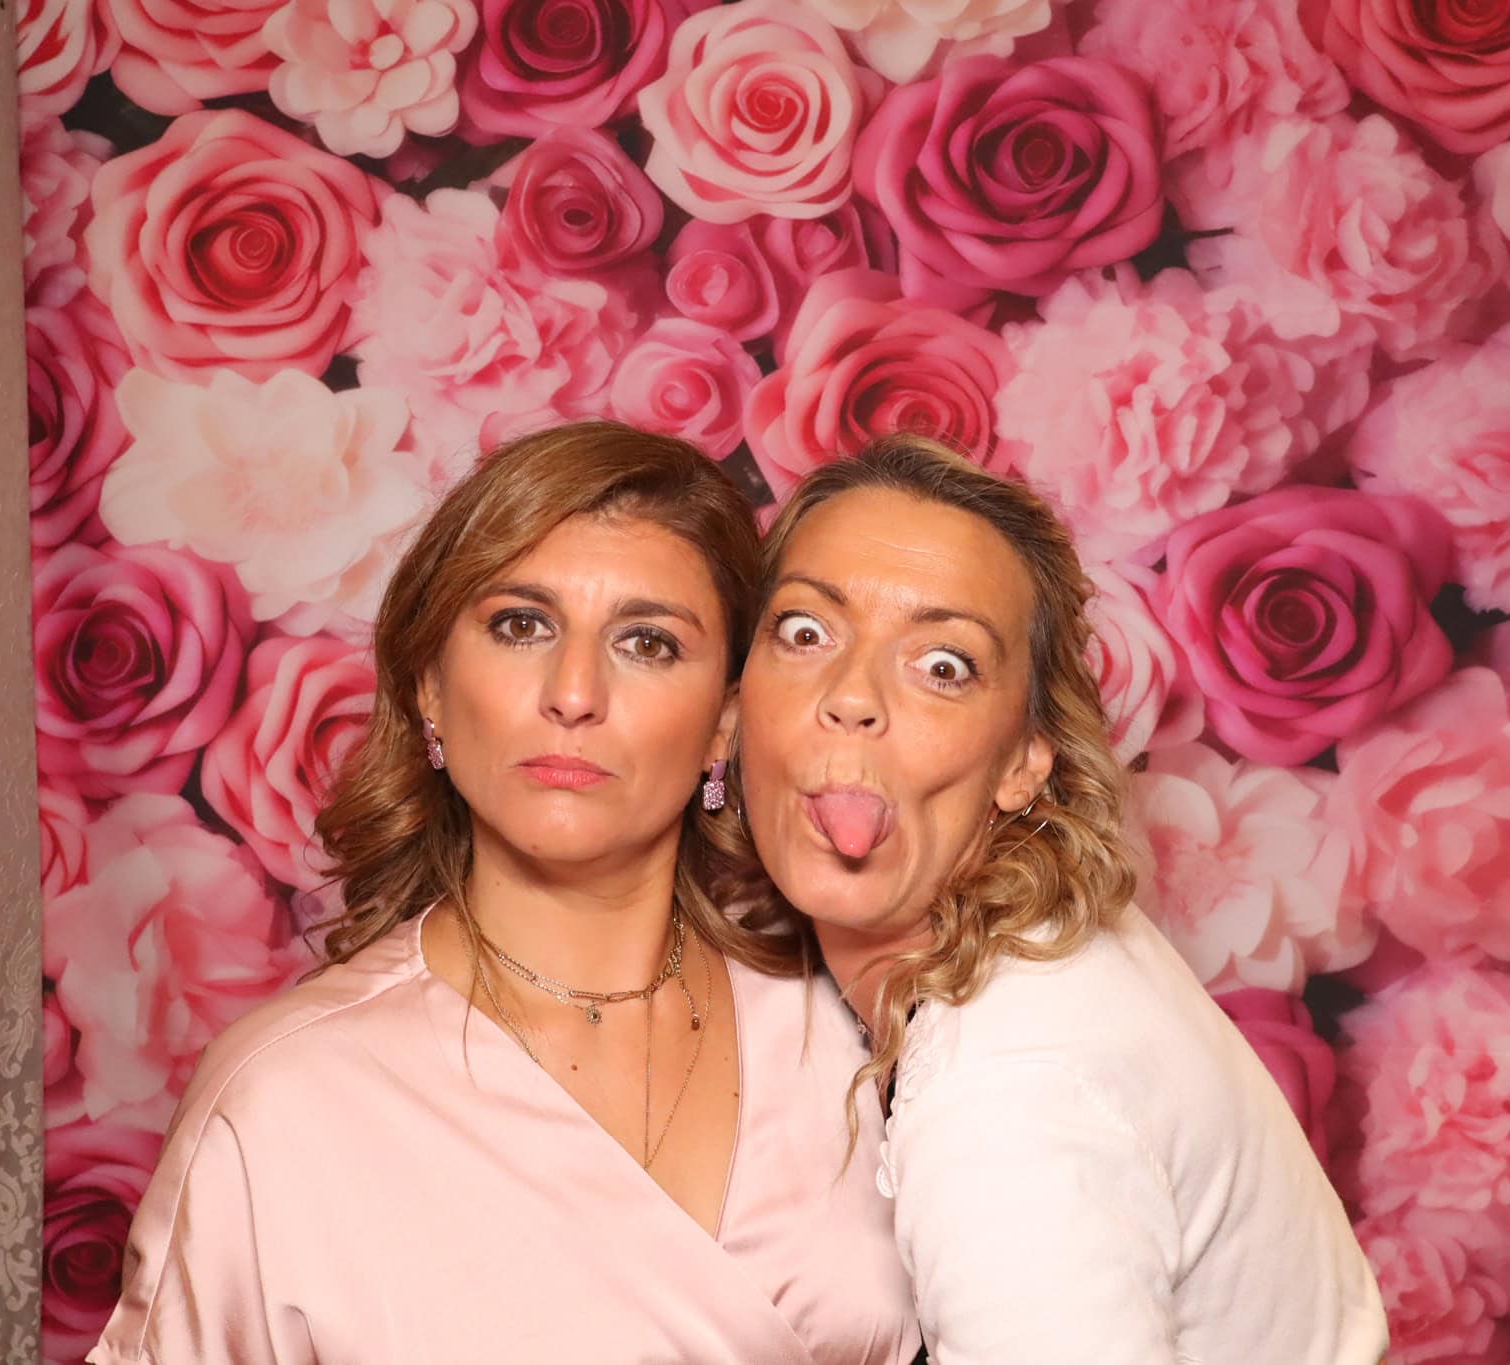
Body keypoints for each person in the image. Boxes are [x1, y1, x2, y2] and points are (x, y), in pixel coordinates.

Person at [88, 422, 920, 1365]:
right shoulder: (282, 1099)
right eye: (522, 625)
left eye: (646, 642)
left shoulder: (850, 1034)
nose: (574, 692)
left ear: (726, 722)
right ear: (431, 686)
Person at [729, 434, 1389, 1364]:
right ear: (735, 698)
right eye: (806, 631)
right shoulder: (1039, 934)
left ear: (1024, 761)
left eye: (943, 665)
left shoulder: (1009, 1101)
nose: (852, 696)